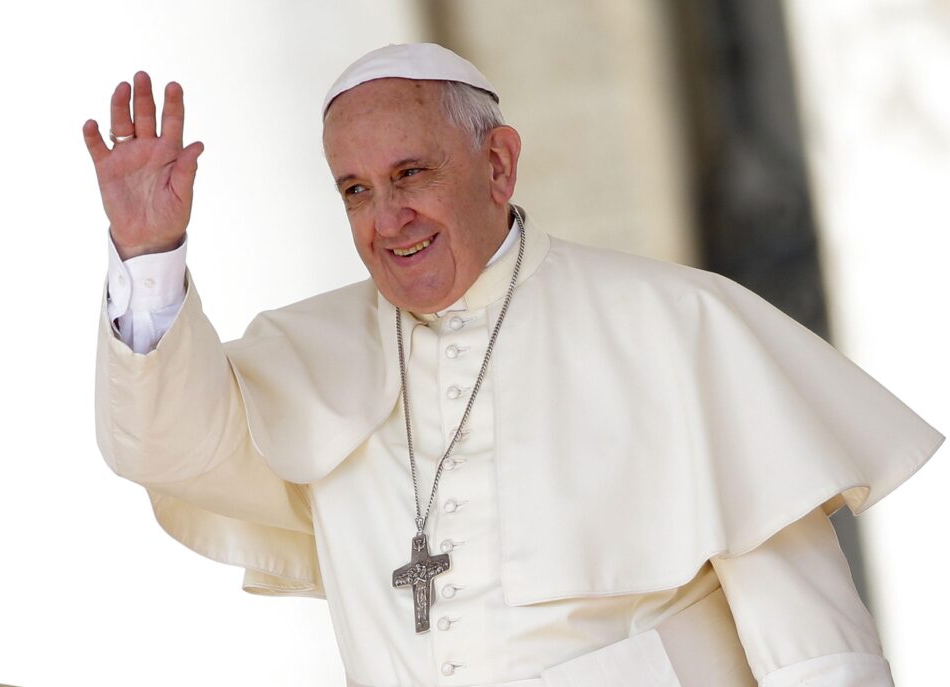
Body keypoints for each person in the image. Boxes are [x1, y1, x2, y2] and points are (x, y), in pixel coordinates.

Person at [86, 43, 942, 686]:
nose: (387, 219)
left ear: (497, 165)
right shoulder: (312, 356)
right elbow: (164, 447)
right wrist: (149, 249)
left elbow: (815, 647)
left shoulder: (675, 324)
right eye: (355, 189)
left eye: (410, 173)